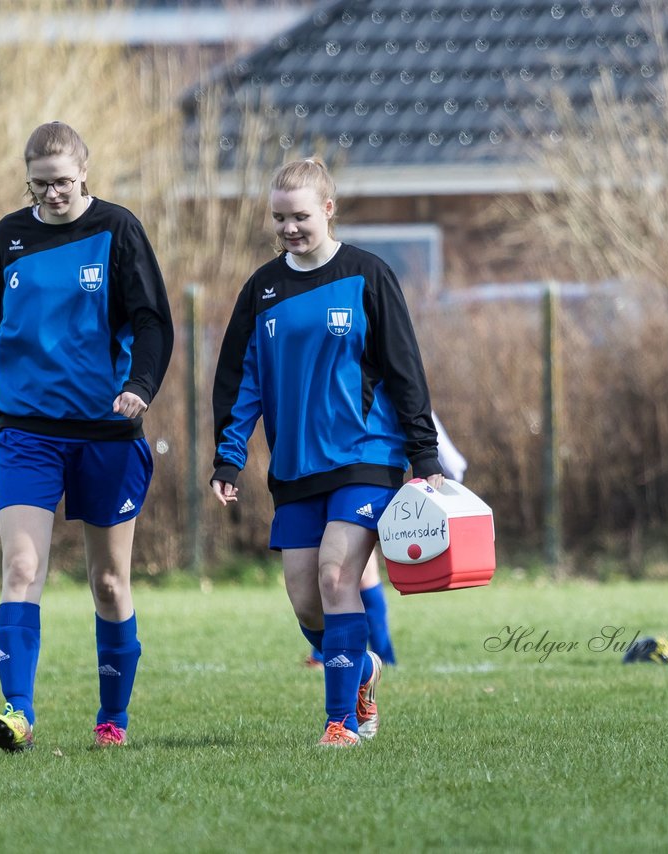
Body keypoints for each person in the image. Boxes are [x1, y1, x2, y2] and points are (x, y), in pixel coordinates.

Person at [210, 157, 443, 746]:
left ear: (329, 210)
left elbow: (404, 368)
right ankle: (361, 667)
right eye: (279, 218)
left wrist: (425, 458)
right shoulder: (261, 289)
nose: (290, 228)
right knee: (305, 598)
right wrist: (228, 456)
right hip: (295, 466)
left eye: (301, 216)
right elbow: (243, 381)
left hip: (368, 455)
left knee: (339, 574)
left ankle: (340, 723)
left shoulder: (369, 274)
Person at [0, 121, 173, 750]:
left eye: (62, 181)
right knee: (20, 566)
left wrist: (140, 389)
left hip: (105, 431)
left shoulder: (117, 230)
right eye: (40, 185)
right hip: (27, 430)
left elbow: (152, 323)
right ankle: (17, 713)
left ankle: (112, 719)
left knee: (109, 582)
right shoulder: (9, 236)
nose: (52, 195)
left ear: (85, 172)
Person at [303, 411, 467, 668]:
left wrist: (431, 493)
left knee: (347, 573)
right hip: (335, 481)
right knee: (341, 574)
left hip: (374, 488)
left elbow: (452, 464)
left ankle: (374, 656)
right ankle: (363, 655)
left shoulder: (400, 396)